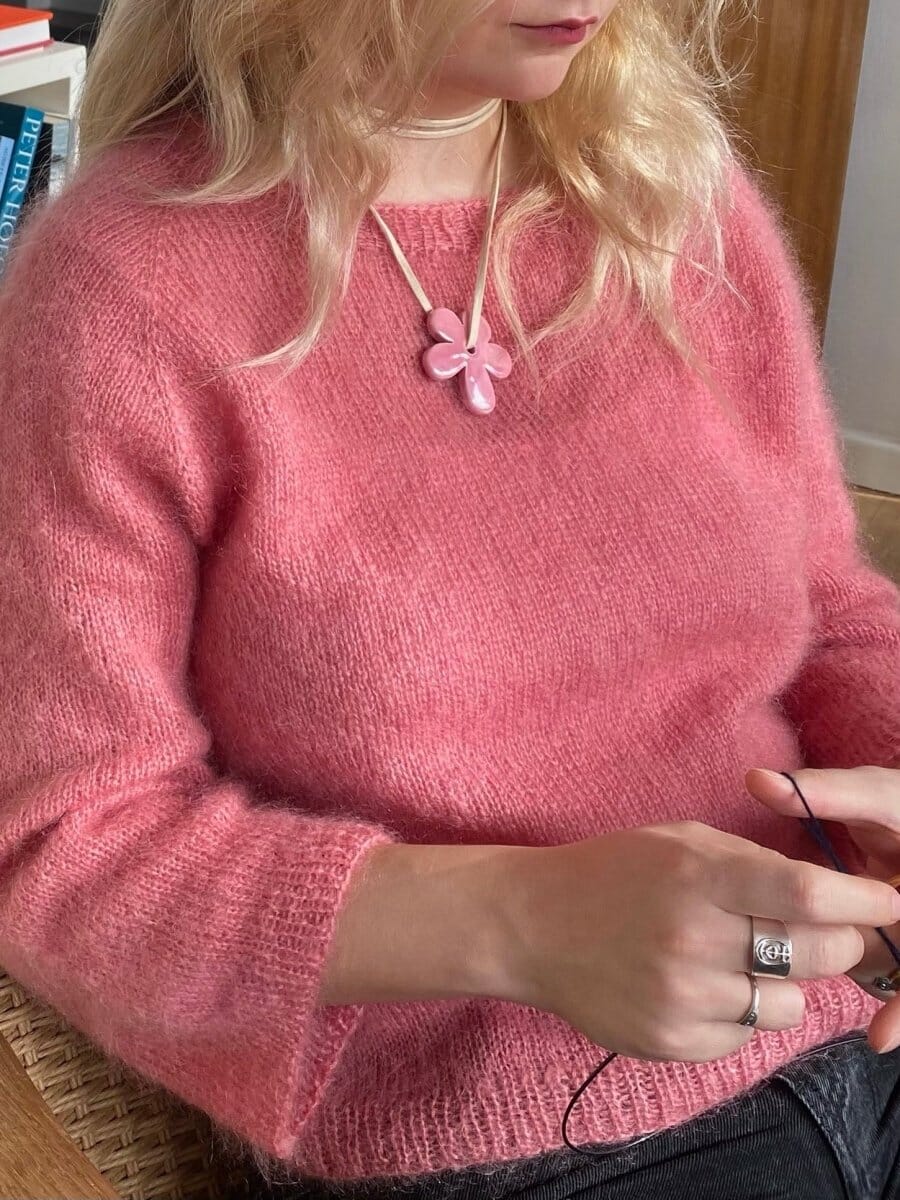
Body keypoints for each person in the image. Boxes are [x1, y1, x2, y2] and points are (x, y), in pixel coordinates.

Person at [1, 0, 899, 1196]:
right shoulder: (122, 284)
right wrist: (522, 918)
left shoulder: (668, 186)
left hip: (853, 1010)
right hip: (511, 1140)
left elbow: (829, 608)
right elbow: (66, 846)